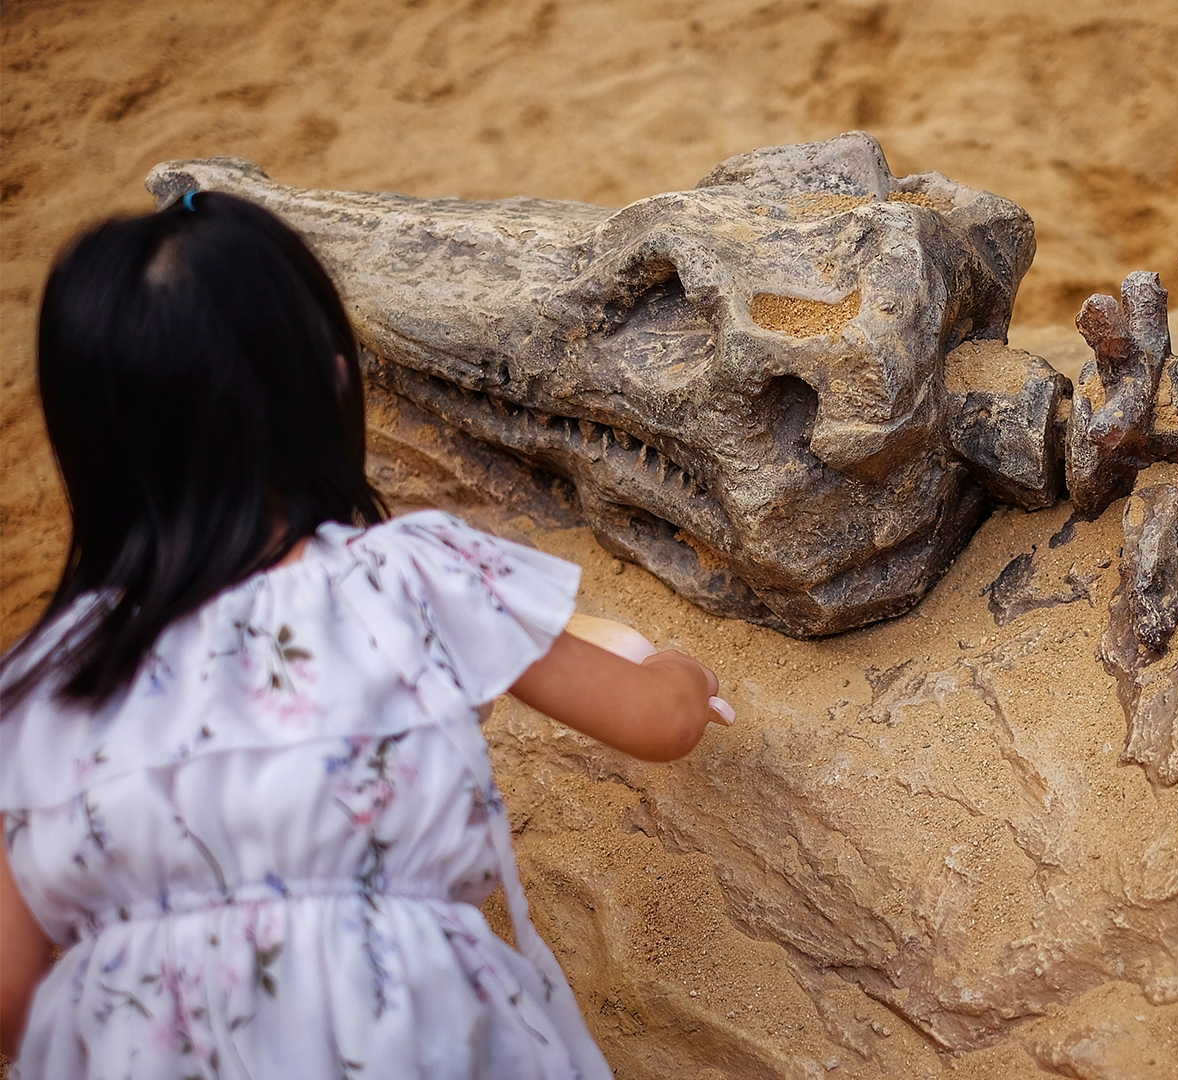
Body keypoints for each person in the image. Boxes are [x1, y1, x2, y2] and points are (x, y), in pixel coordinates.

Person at [0, 191, 729, 1079]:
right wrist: (675, 667)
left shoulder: (37, 682)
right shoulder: (403, 574)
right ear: (335, 383)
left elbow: (9, 990)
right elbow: (659, 721)